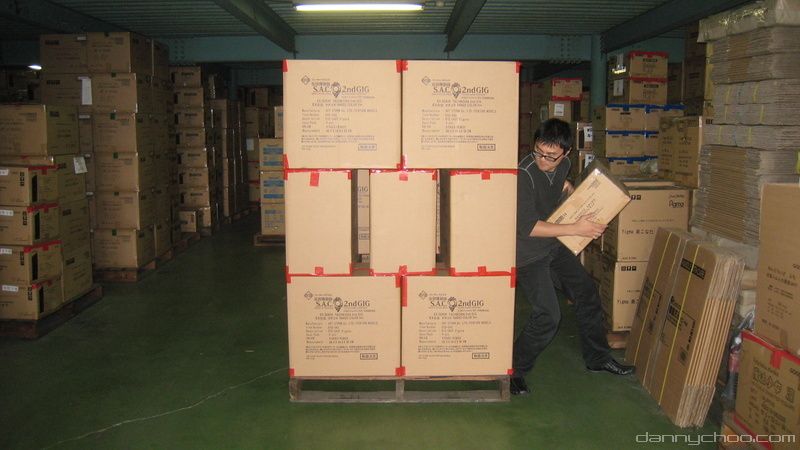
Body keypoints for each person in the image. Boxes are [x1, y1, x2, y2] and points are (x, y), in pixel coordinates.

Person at [511, 118, 634, 396]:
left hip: (553, 244)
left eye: (551, 156)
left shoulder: (564, 164)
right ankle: (514, 370)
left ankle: (597, 358)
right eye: (538, 152)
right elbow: (528, 227)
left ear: (566, 153)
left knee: (586, 292)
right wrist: (577, 228)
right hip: (527, 252)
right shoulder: (523, 175)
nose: (543, 160)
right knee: (548, 315)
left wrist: (569, 190)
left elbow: (559, 184)